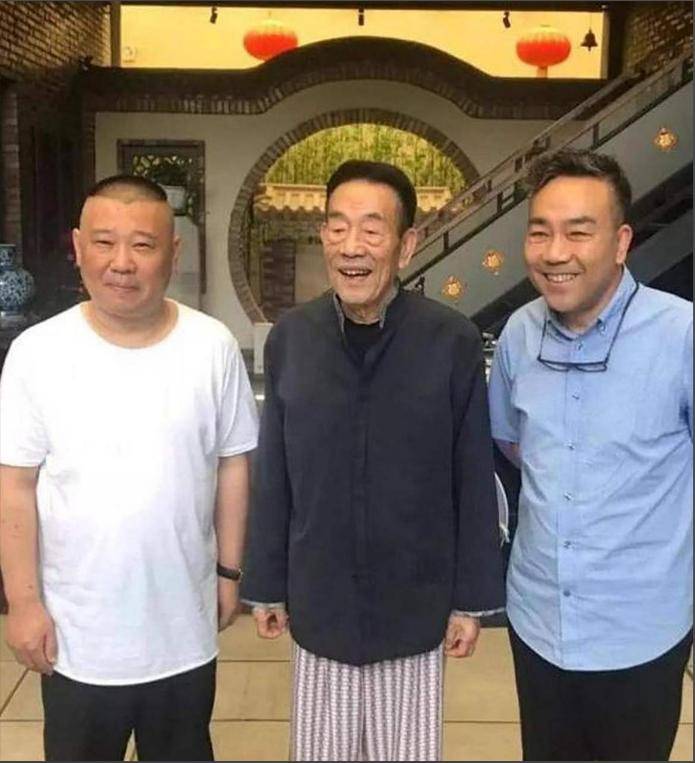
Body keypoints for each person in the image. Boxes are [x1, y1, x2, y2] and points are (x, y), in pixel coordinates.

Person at [241, 159, 505, 761]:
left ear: (406, 245)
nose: (351, 246)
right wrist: (267, 585)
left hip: (414, 606)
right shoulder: (292, 338)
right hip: (320, 602)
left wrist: (470, 600)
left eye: (371, 229)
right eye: (337, 227)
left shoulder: (451, 341)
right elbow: (275, 473)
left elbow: (471, 475)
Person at [0, 175, 259, 761]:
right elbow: (14, 486)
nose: (122, 263)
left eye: (143, 245)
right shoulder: (38, 353)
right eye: (104, 242)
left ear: (173, 252)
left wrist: (228, 573)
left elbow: (232, 465)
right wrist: (24, 602)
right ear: (78, 246)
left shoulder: (211, 346)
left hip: (183, 629)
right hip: (77, 637)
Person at [488, 147, 692, 761]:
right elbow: (514, 446)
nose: (556, 253)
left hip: (641, 631)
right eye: (540, 232)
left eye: (579, 233)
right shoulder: (519, 334)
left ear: (622, 241)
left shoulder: (681, 335)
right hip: (537, 621)